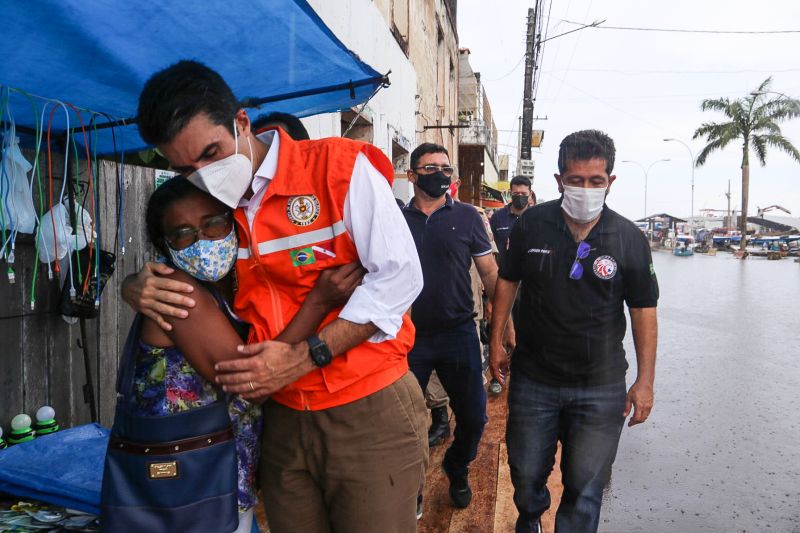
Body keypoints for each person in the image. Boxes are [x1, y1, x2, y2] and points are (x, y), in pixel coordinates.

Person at [124, 60, 427, 533]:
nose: (205, 175)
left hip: (365, 405)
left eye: (212, 153)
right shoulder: (215, 211)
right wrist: (134, 284)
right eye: (185, 168)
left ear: (242, 122)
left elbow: (400, 277)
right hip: (281, 421)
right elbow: (191, 269)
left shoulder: (337, 168)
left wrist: (306, 356)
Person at [136, 177, 356, 532]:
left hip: (220, 477)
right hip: (187, 486)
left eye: (213, 223)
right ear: (166, 245)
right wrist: (318, 302)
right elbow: (249, 379)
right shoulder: (177, 292)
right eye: (183, 233)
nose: (203, 241)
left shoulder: (233, 283)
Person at [490, 130, 659, 533]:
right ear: (559, 180)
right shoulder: (532, 224)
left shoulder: (629, 238)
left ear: (610, 182)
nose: (586, 188)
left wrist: (645, 381)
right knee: (526, 472)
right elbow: (508, 280)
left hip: (601, 387)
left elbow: (643, 311)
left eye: (596, 180)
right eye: (576, 179)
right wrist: (495, 340)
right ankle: (530, 518)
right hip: (535, 379)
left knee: (586, 488)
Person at [401, 143, 499, 509]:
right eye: (430, 168)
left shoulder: (468, 217)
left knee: (474, 417)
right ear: (412, 175)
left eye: (446, 168)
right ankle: (411, 489)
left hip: (459, 334)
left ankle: (457, 466)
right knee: (405, 423)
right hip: (408, 337)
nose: (440, 174)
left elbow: (489, 273)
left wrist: (503, 325)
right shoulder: (396, 219)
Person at [487, 175, 534, 395]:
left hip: (530, 284)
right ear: (510, 193)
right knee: (502, 325)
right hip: (503, 281)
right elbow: (490, 252)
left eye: (524, 194)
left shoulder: (537, 218)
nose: (520, 197)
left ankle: (523, 372)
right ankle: (499, 375)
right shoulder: (498, 218)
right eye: (516, 194)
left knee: (527, 328)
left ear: (530, 194)